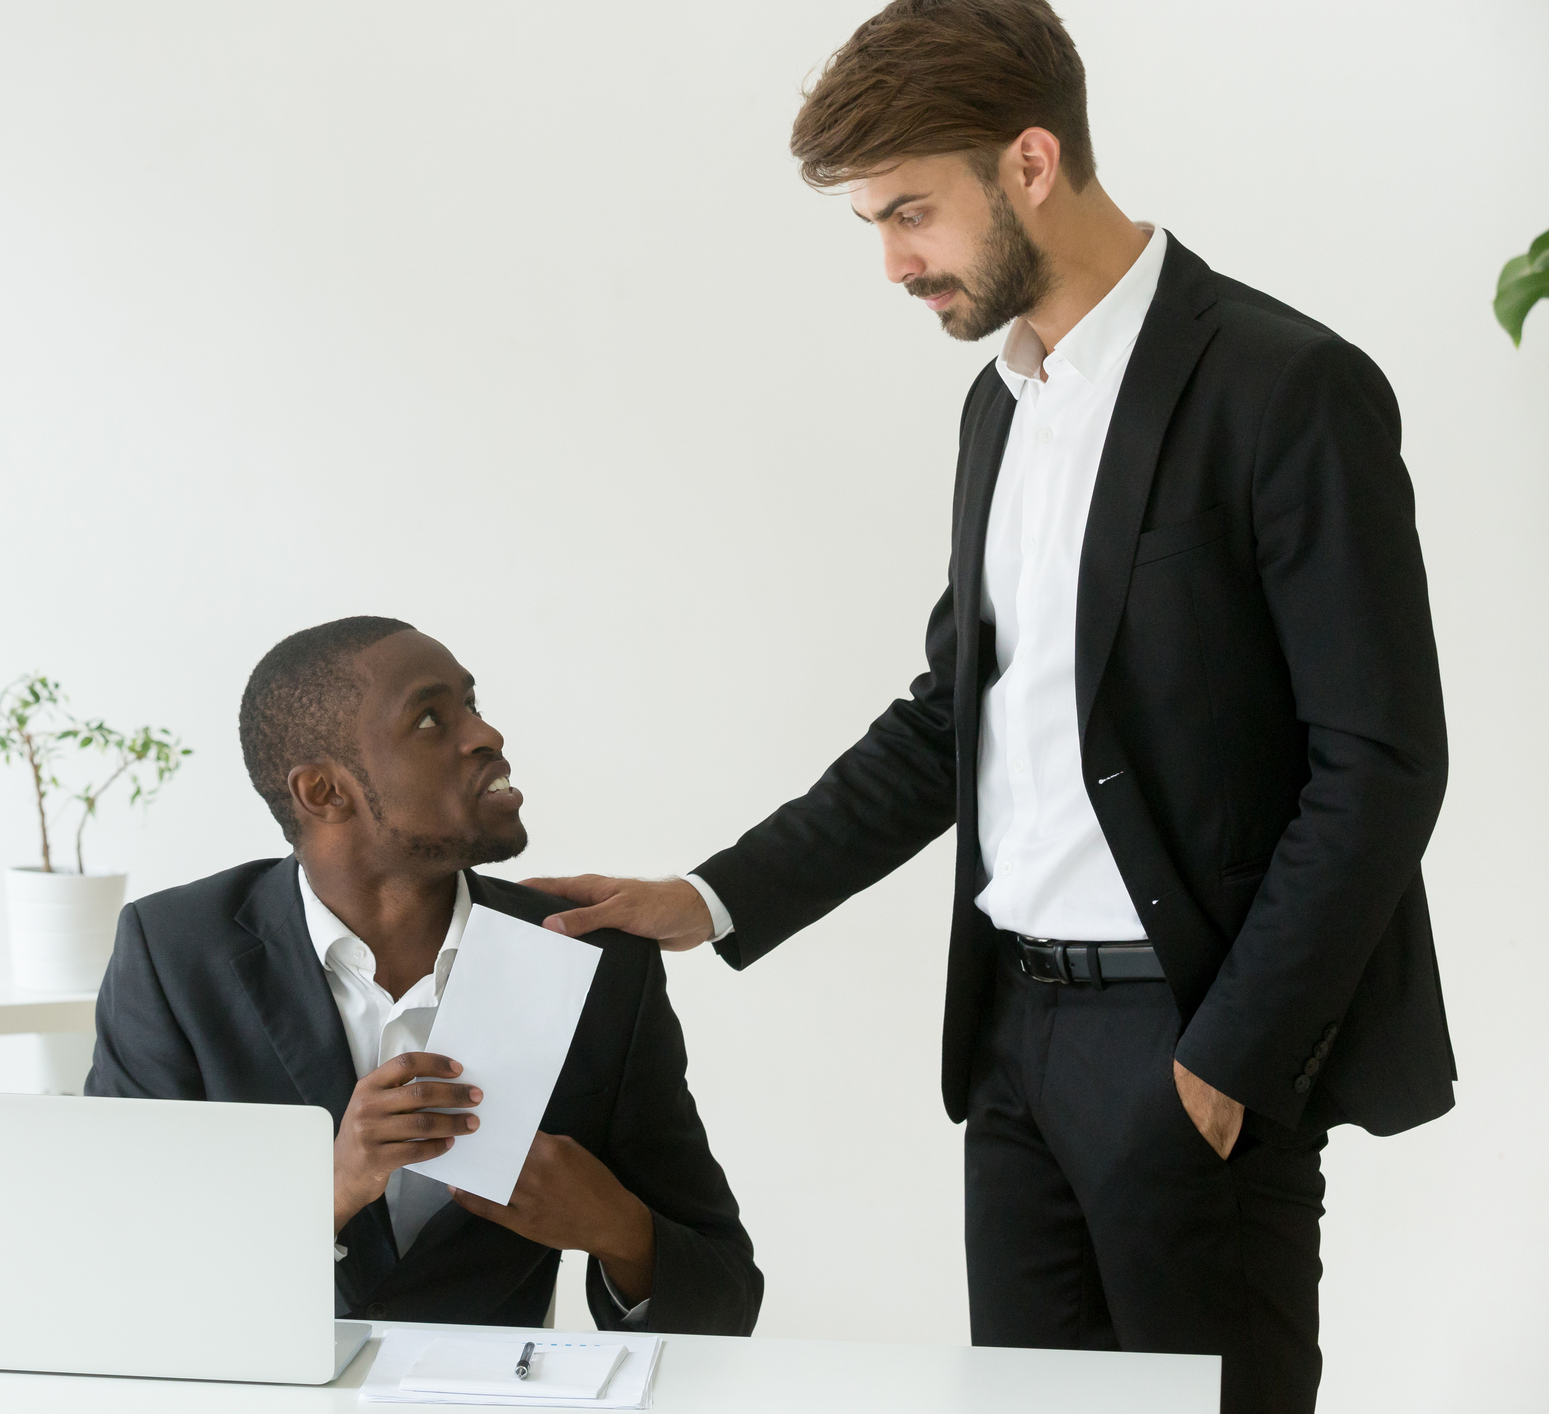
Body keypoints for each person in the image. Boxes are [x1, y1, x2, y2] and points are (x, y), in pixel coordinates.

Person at [524, 3, 1452, 1410]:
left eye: (911, 211)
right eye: (870, 226)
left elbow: (1379, 760)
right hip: (1012, 1039)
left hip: (1185, 1037)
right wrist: (709, 895)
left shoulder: (1285, 387)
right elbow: (950, 716)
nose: (895, 263)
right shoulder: (999, 405)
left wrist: (1224, 1062)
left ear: (1029, 162)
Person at [86, 616, 761, 1336]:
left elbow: (725, 1298)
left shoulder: (591, 961)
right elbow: (114, 1260)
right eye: (432, 718)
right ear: (323, 792)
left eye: (473, 704)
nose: (486, 734)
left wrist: (617, 1229)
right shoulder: (174, 953)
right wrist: (330, 1191)